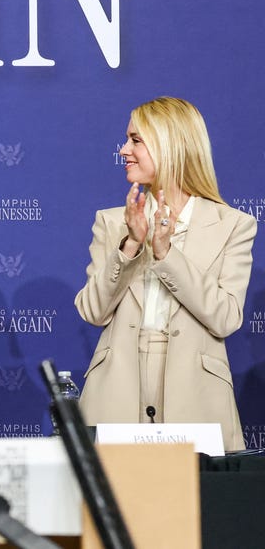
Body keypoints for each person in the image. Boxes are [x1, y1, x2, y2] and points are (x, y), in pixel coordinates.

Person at [74, 96, 255, 450]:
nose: (124, 150)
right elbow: (92, 311)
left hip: (195, 393)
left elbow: (225, 318)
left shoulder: (233, 225)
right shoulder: (112, 222)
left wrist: (165, 252)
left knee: (196, 503)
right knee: (115, 502)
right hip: (117, 390)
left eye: (136, 140)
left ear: (171, 145)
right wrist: (130, 246)